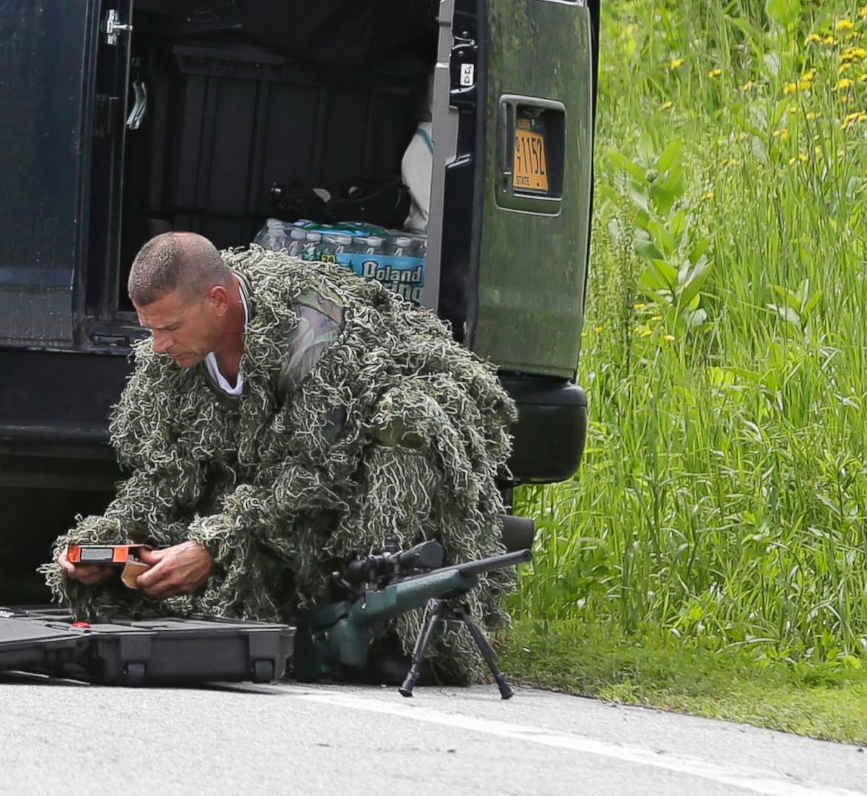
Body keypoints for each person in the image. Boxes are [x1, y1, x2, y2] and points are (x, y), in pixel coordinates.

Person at [45, 231, 518, 683]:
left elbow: (317, 471)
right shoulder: (171, 355)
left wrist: (213, 547)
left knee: (406, 425)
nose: (158, 346)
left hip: (354, 458)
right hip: (265, 482)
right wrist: (110, 542)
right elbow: (165, 475)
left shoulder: (309, 326)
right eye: (151, 329)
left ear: (216, 300)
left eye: (170, 328)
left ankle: (395, 633)